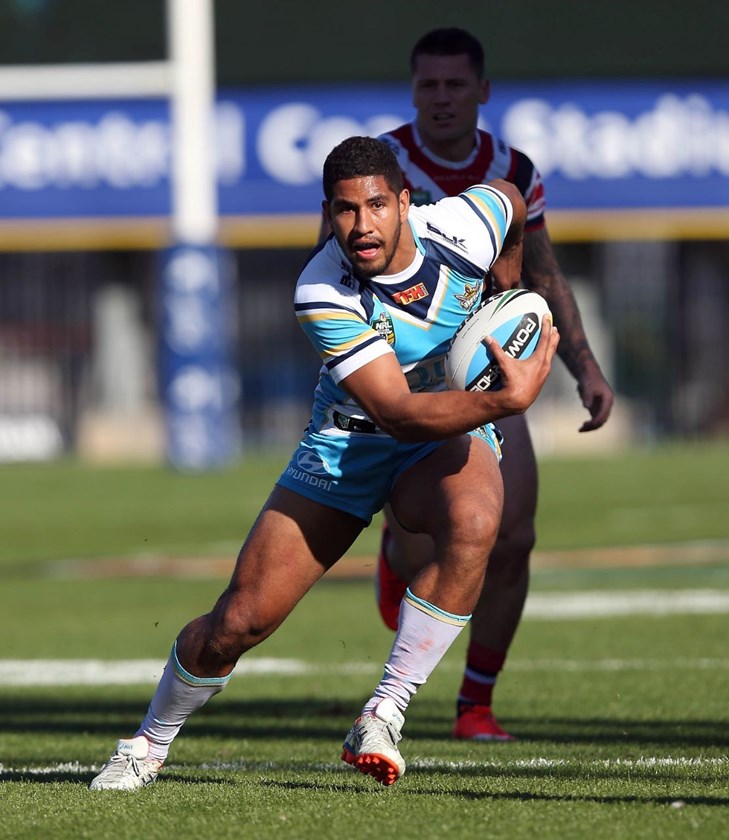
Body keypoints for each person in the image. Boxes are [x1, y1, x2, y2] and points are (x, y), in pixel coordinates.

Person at [89, 136, 559, 791]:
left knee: (478, 521)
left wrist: (505, 288)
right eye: (343, 210)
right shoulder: (321, 289)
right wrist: (504, 400)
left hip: (438, 443)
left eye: (375, 205)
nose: (360, 226)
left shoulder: (460, 225)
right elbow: (394, 413)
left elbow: (510, 203)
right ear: (327, 212)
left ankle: (383, 712)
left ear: (404, 202)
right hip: (347, 448)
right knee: (237, 622)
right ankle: (146, 742)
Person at [372, 27, 615, 742]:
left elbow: (540, 275)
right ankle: (396, 550)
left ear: (482, 91)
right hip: (405, 371)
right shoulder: (380, 165)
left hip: (485, 365)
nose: (440, 98)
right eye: (427, 85)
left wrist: (586, 369)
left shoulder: (513, 168)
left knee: (513, 538)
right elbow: (331, 262)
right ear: (413, 90)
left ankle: (474, 705)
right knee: (428, 546)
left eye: (454, 85)